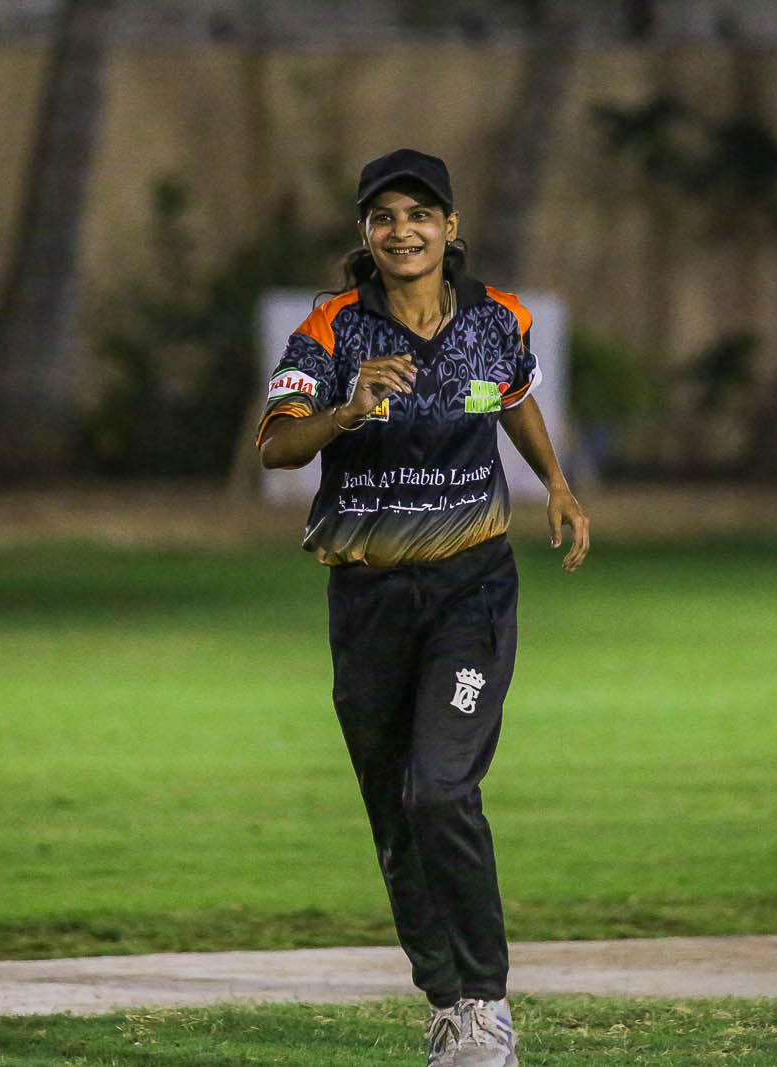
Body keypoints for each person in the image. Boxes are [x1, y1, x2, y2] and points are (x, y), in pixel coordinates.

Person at [257, 148, 589, 1067]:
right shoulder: (331, 331)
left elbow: (512, 396)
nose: (402, 231)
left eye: (419, 214)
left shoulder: (497, 318)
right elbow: (277, 446)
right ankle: (446, 1005)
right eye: (384, 217)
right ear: (366, 233)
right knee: (395, 814)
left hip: (469, 591)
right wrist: (346, 411)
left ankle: (488, 1003)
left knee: (439, 788)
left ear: (450, 227)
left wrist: (556, 483)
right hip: (368, 599)